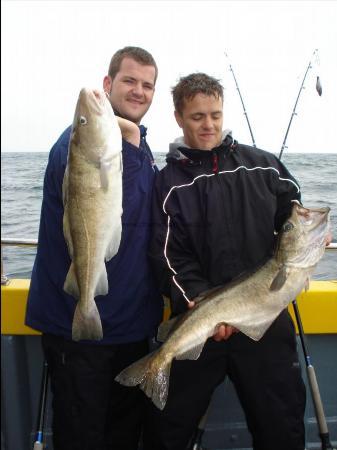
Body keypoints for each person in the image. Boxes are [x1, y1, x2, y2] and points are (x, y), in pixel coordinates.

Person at [147, 73, 306, 450]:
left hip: (265, 320)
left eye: (215, 115)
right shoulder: (168, 183)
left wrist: (304, 227)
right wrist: (201, 302)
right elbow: (167, 253)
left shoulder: (264, 165)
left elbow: (293, 203)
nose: (209, 125)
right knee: (167, 430)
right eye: (198, 116)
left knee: (281, 426)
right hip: (201, 318)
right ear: (179, 118)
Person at [25, 46, 163, 450]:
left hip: (130, 326)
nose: (138, 91)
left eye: (147, 85)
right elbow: (128, 208)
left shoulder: (133, 146)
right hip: (80, 329)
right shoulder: (78, 147)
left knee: (122, 435)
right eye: (129, 81)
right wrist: (131, 146)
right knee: (81, 436)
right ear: (109, 84)